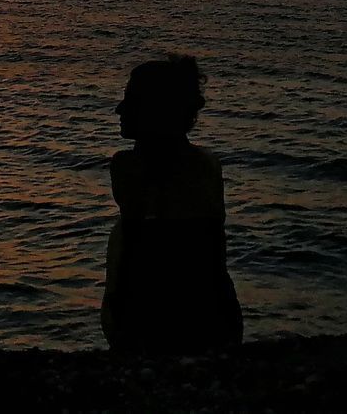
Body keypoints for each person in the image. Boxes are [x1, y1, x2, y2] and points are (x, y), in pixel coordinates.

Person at [100, 55, 243, 353]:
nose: (119, 110)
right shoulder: (207, 165)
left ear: (154, 110)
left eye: (131, 101)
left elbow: (136, 265)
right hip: (217, 325)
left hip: (153, 330)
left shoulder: (128, 168)